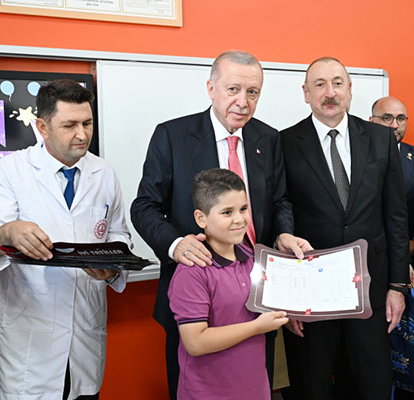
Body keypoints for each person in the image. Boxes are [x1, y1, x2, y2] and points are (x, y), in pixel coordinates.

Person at [130, 50, 310, 399]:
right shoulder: (173, 135)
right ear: (211, 88)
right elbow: (145, 206)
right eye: (233, 90)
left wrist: (284, 233)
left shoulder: (268, 138)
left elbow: (279, 201)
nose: (243, 101)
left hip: (257, 294)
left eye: (253, 92)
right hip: (198, 291)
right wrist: (176, 245)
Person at [0, 79, 131, 399]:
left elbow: (118, 233)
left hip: (85, 332)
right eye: (70, 125)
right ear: (43, 127)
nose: (82, 134)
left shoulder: (104, 172)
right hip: (32, 341)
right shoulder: (12, 170)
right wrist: (9, 231)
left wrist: (112, 267)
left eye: (87, 123)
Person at [281, 56, 409, 399]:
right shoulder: (285, 142)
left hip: (371, 290)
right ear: (305, 93)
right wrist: (289, 300)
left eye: (338, 83)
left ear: (350, 90)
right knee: (314, 386)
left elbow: (396, 217)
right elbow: (282, 212)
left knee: (370, 385)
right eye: (320, 84)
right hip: (311, 295)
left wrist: (398, 286)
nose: (330, 93)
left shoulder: (382, 139)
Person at [168, 168, 288, 400]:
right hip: (207, 393)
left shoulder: (253, 257)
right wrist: (257, 327)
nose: (239, 219)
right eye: (227, 212)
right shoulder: (192, 271)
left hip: (256, 390)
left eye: (243, 209)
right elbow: (195, 342)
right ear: (201, 218)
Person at [370, 96, 414, 296]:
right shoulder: (356, 157)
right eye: (387, 118)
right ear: (371, 121)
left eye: (401, 119)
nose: (395, 125)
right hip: (367, 260)